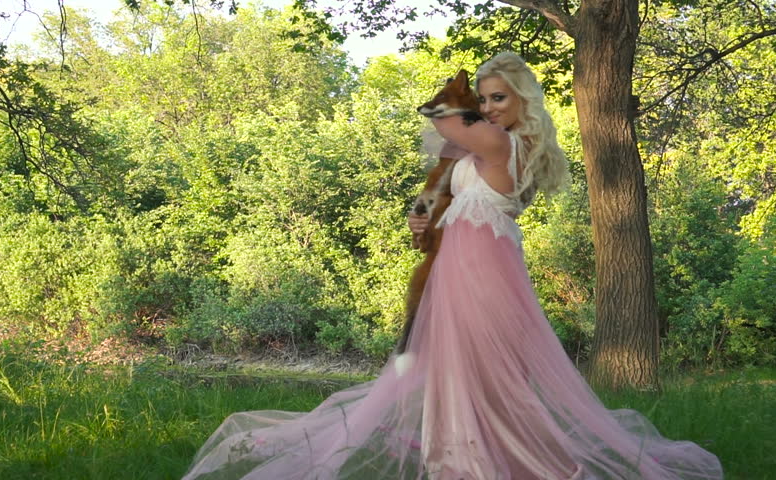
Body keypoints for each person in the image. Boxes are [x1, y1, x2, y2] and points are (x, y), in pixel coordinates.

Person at [182, 52, 724, 480]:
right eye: (483, 99)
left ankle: (512, 465)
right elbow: (461, 203)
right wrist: (427, 223)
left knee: (484, 374)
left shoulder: (500, 143)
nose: (487, 108)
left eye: (496, 98)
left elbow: (440, 118)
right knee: (464, 371)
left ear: (521, 101)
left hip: (483, 274)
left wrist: (457, 95)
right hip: (466, 266)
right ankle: (464, 461)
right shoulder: (488, 149)